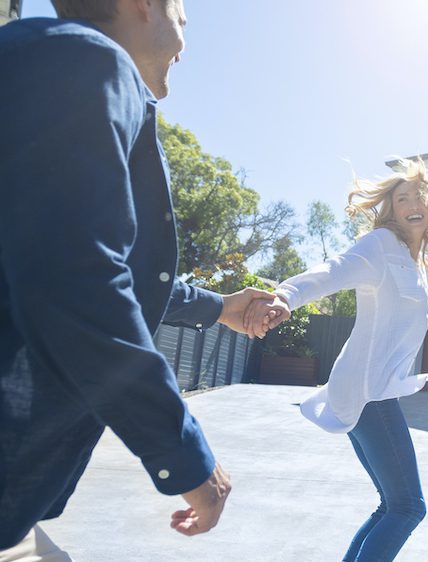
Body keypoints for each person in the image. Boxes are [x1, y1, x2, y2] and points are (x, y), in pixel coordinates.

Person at [0, 0, 277, 557]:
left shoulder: (42, 58)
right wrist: (184, 454)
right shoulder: (87, 59)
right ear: (143, 4)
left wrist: (219, 305)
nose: (186, 38)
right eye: (184, 13)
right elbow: (80, 280)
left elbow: (106, 263)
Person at [244, 157, 428, 561]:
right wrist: (287, 296)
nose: (412, 203)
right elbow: (335, 269)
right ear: (392, 209)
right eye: (402, 198)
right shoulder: (379, 246)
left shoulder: (415, 261)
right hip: (369, 392)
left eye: (419, 196)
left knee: (390, 505)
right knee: (408, 507)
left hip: (369, 389)